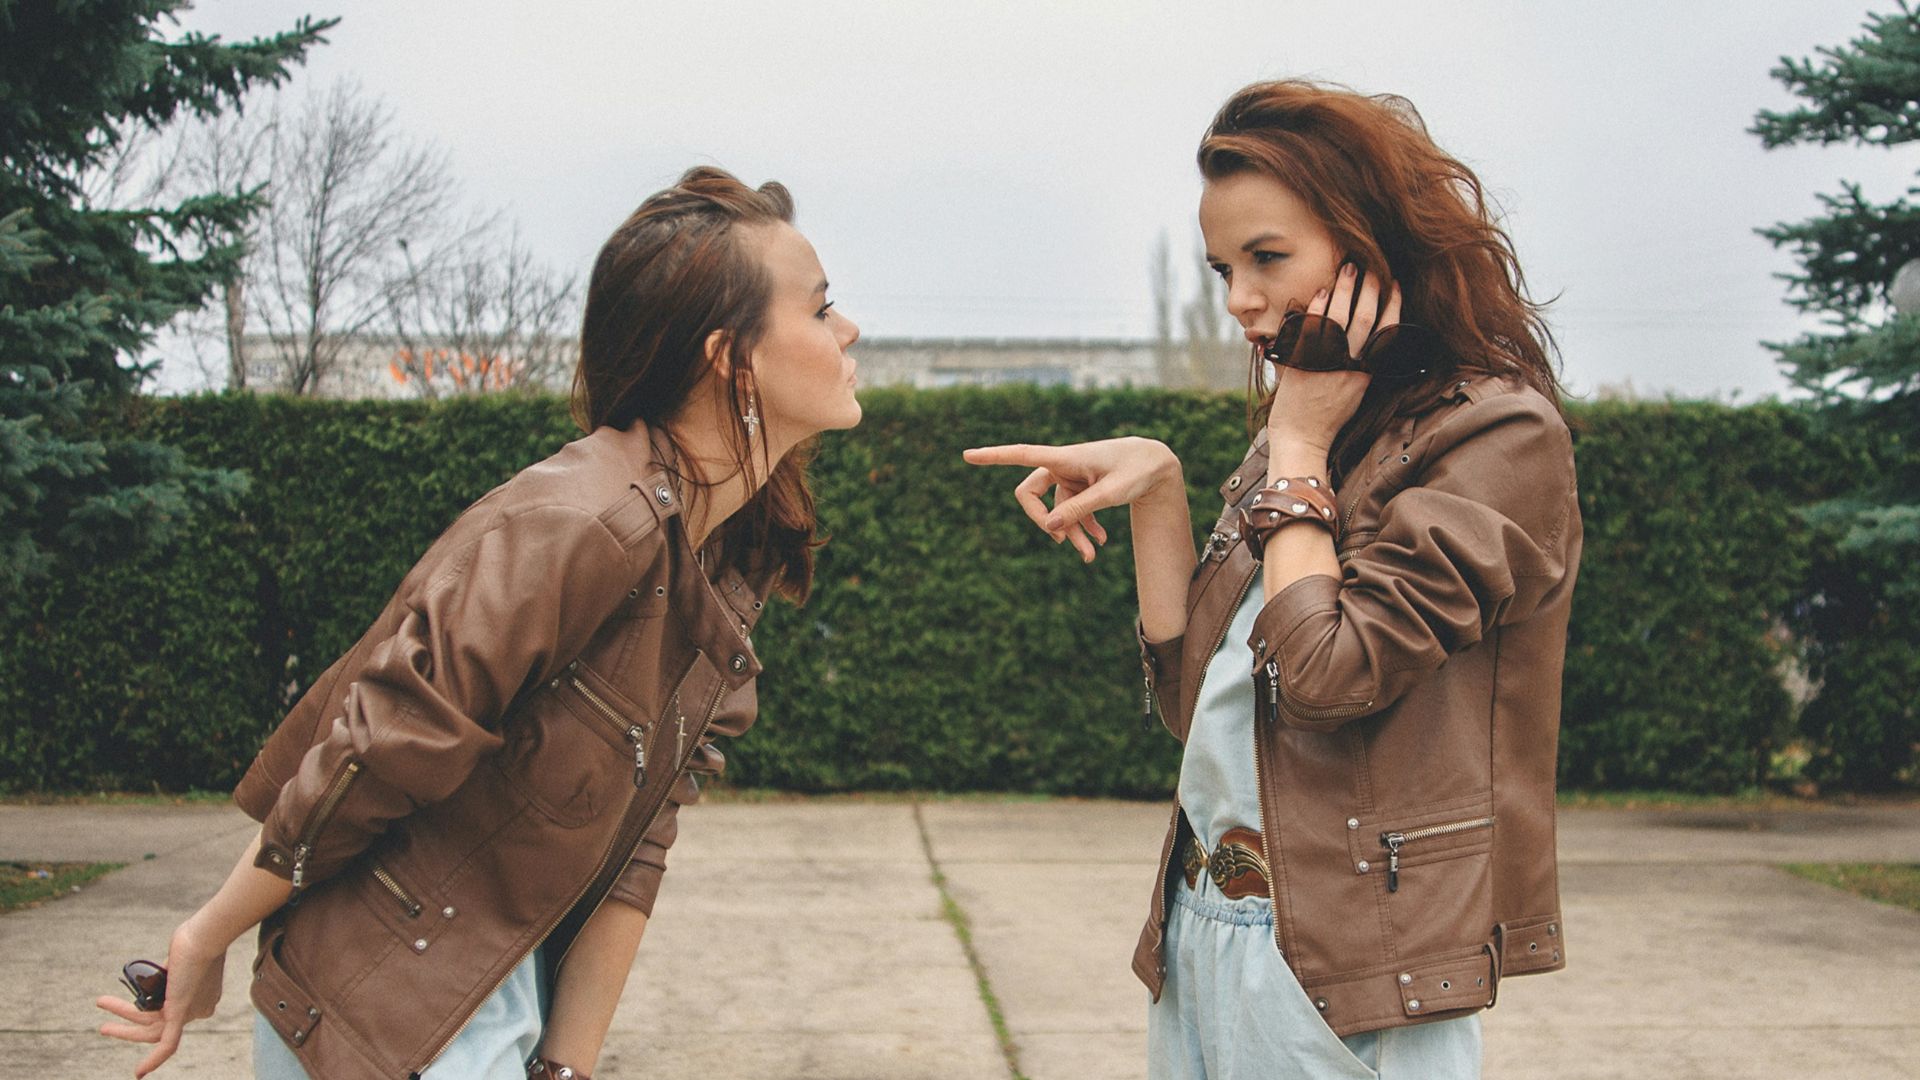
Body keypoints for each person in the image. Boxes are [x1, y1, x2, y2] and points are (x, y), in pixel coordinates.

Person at [96, 166, 863, 1080]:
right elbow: (378, 747)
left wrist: (566, 1069)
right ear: (729, 356)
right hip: (378, 1015)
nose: (847, 330)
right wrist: (208, 934)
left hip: (493, 1010)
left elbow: (639, 846)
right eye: (820, 309)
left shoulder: (721, 560)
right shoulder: (585, 522)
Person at [966, 80, 1581, 1079]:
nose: (1240, 300)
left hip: (1347, 961)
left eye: (1268, 259)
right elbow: (1188, 702)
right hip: (1205, 931)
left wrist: (1295, 445)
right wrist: (1162, 489)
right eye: (1222, 267)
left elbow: (1328, 682)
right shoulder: (1308, 436)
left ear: (1372, 249)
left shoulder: (1495, 435)